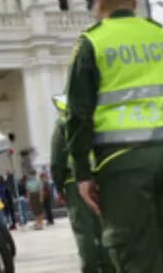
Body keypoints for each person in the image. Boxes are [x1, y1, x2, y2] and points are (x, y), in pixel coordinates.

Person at [66, 0, 163, 272]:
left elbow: (78, 113)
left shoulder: (91, 43)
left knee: (137, 255)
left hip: (124, 163)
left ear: (98, 2)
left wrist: (82, 173)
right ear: (135, 1)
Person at [51, 95, 111, 273]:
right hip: (103, 179)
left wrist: (58, 186)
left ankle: (91, 268)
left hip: (75, 183)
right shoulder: (98, 118)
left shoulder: (63, 125)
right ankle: (110, 267)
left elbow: (57, 160)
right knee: (106, 226)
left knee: (84, 231)